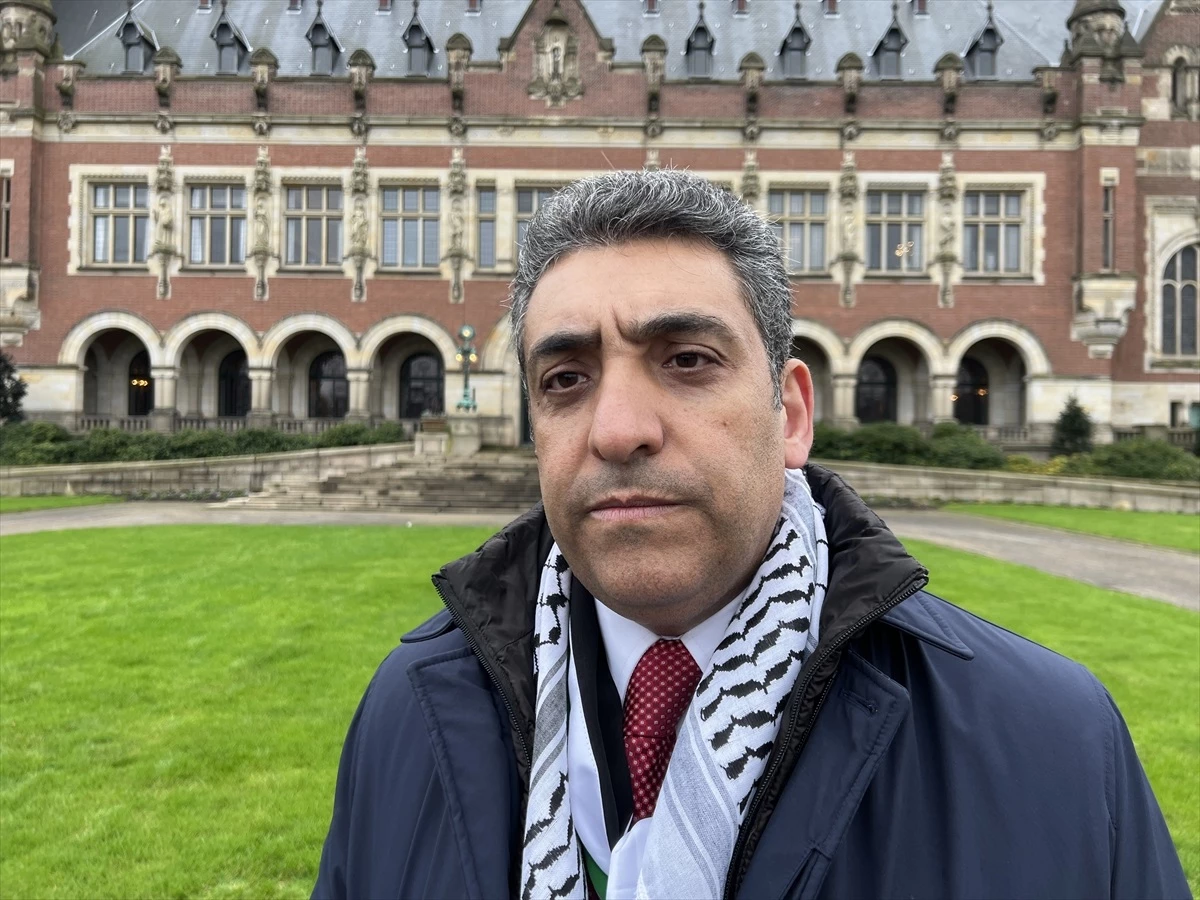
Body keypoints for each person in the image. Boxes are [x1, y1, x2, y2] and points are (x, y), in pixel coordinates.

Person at [312, 170, 1189, 900]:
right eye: (566, 378)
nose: (618, 430)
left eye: (687, 361)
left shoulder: (1055, 745)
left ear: (792, 413)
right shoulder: (407, 717)